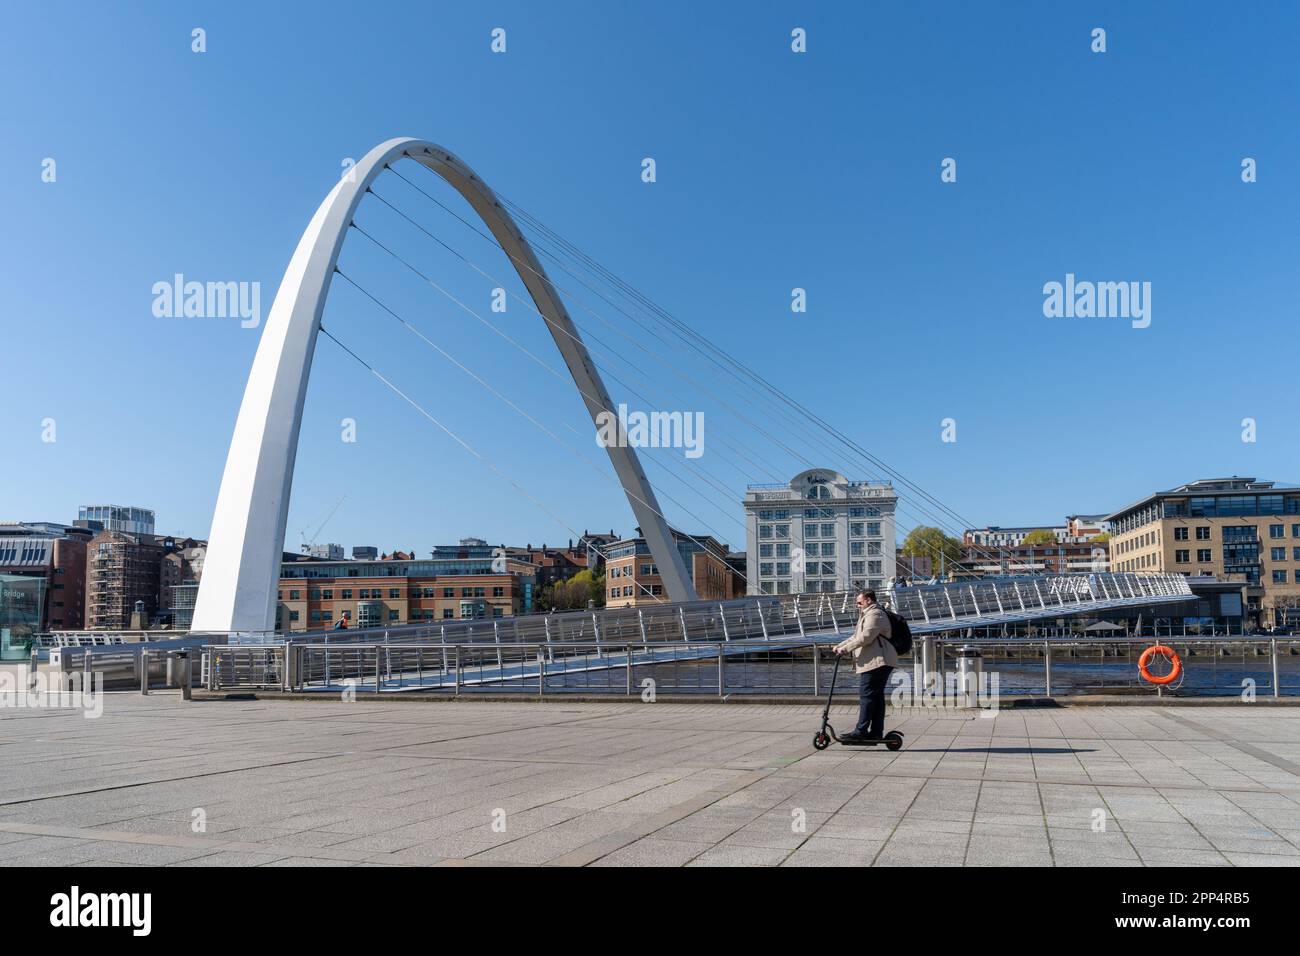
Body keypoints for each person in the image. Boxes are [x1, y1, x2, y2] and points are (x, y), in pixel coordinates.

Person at [832, 588, 898, 744]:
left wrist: (845, 649)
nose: (858, 605)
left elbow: (866, 637)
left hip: (878, 661)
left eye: (859, 602)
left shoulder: (875, 614)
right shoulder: (868, 614)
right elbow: (856, 636)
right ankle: (875, 733)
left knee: (867, 695)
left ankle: (861, 731)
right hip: (875, 661)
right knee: (875, 697)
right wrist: (840, 645)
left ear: (869, 600)